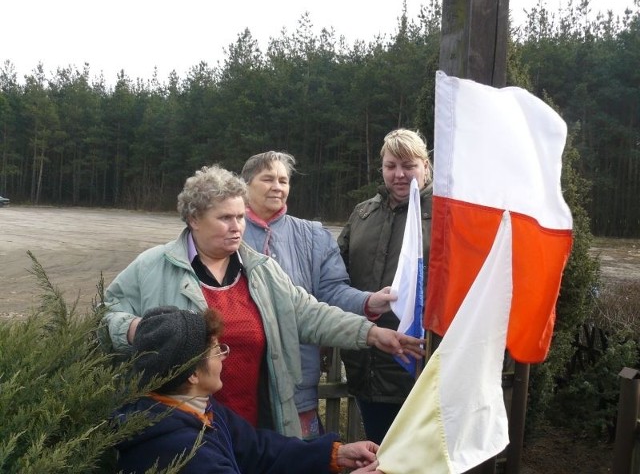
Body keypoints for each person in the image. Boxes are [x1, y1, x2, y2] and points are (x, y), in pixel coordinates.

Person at [101, 164, 424, 439]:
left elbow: (309, 314)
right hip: (183, 428)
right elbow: (106, 317)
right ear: (194, 219)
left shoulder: (262, 270)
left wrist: (371, 334)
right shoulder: (151, 266)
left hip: (257, 426)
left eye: (241, 217)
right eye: (225, 217)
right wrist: (135, 329)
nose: (237, 227)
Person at [114, 306, 385, 474]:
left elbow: (260, 450)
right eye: (216, 350)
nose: (224, 356)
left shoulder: (198, 408)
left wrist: (334, 454)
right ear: (193, 374)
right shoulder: (182, 449)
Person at [240, 151, 395, 439]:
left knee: (298, 459)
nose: (278, 186)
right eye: (268, 179)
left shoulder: (313, 236)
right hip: (239, 382)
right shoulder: (228, 232)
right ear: (245, 184)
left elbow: (332, 291)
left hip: (297, 382)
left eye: (284, 180)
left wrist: (367, 301)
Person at [337, 128, 433, 444]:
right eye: (391, 165)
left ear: (425, 166)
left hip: (421, 366)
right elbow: (337, 276)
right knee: (380, 453)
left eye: (409, 165)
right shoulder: (363, 214)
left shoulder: (445, 217)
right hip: (368, 362)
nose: (400, 174)